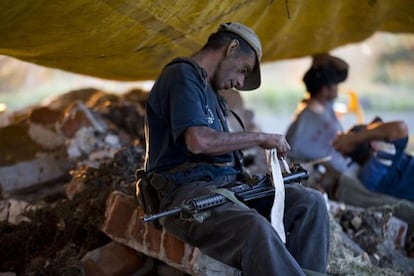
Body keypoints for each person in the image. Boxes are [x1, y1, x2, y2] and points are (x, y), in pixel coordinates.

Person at [143, 22, 329, 275]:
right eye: (243, 70)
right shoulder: (182, 76)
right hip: (186, 197)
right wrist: (258, 138)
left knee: (310, 202)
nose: (240, 81)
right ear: (231, 48)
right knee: (254, 228)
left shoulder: (210, 89)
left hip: (224, 188)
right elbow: (199, 141)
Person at [285, 54, 350, 173]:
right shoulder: (303, 121)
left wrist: (325, 58)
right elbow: (291, 155)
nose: (338, 87)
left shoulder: (326, 105)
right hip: (329, 176)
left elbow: (343, 70)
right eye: (335, 84)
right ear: (324, 90)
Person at [333, 118, 414, 202]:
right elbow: (399, 128)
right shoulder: (375, 169)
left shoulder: (379, 165)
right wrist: (352, 139)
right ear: (373, 144)